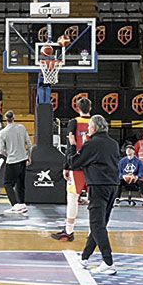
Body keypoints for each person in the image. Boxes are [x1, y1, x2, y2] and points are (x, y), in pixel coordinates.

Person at [69, 114, 122, 275]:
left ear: (95, 128)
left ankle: (108, 262)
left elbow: (74, 162)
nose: (88, 129)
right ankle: (85, 257)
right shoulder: (113, 143)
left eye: (90, 127)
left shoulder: (92, 143)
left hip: (98, 186)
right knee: (100, 224)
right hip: (113, 186)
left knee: (96, 225)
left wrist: (72, 146)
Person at [50, 98, 93, 242]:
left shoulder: (74, 122)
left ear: (77, 108)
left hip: (77, 164)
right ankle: (93, 232)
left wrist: (66, 166)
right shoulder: (96, 122)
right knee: (94, 200)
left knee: (72, 198)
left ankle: (68, 231)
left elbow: (71, 144)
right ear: (90, 107)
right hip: (93, 166)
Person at [0, 110, 32, 214]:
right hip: (23, 159)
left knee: (7, 183)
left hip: (12, 161)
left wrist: (8, 154)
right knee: (20, 183)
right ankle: (22, 203)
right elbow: (29, 144)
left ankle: (15, 204)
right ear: (14, 117)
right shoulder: (21, 127)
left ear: (5, 119)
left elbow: (0, 150)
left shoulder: (3, 132)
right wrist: (28, 156)